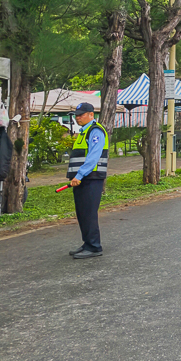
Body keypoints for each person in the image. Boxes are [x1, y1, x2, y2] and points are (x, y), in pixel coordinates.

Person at [66, 102, 108, 259]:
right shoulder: (84, 132)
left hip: (91, 178)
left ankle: (94, 246)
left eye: (82, 114)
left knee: (89, 213)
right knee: (82, 212)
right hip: (82, 179)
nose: (78, 117)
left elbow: (93, 157)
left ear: (92, 115)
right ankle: (87, 243)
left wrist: (79, 175)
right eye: (77, 115)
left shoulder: (95, 131)